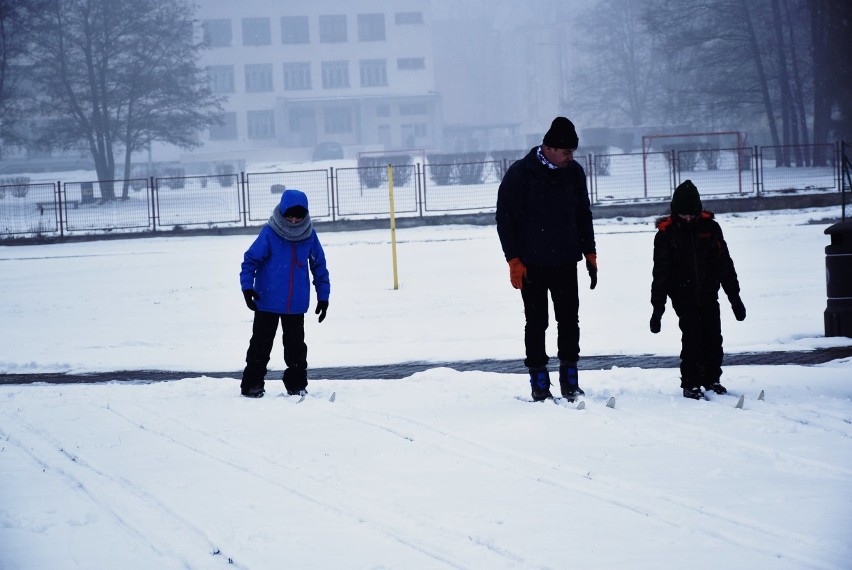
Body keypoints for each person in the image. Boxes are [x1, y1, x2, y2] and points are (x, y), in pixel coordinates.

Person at [496, 116, 597, 402]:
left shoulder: (574, 173)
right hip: (532, 265)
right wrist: (513, 260)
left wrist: (589, 251)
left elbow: (583, 214)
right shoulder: (520, 175)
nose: (570, 157)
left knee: (569, 321)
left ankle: (570, 379)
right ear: (549, 148)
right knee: (536, 322)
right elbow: (505, 220)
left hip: (566, 261)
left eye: (573, 152)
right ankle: (539, 381)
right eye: (566, 152)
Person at [649, 179, 746, 400]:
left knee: (713, 338)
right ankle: (691, 383)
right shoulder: (666, 234)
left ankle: (712, 378)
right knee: (692, 338)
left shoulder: (710, 229)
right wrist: (658, 310)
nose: (688, 218)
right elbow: (660, 274)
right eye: (683, 214)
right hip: (682, 296)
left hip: (709, 292)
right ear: (675, 212)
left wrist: (735, 297)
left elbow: (724, 263)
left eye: (692, 214)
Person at [239, 189, 330, 398]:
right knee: (260, 346)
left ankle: (296, 384)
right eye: (290, 214)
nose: (294, 220)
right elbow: (250, 261)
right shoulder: (270, 233)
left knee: (296, 349)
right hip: (267, 301)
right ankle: (252, 383)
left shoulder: (309, 235)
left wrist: (323, 296)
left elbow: (319, 266)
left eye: (299, 215)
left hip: (295, 304)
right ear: (282, 211)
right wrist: (247, 288)